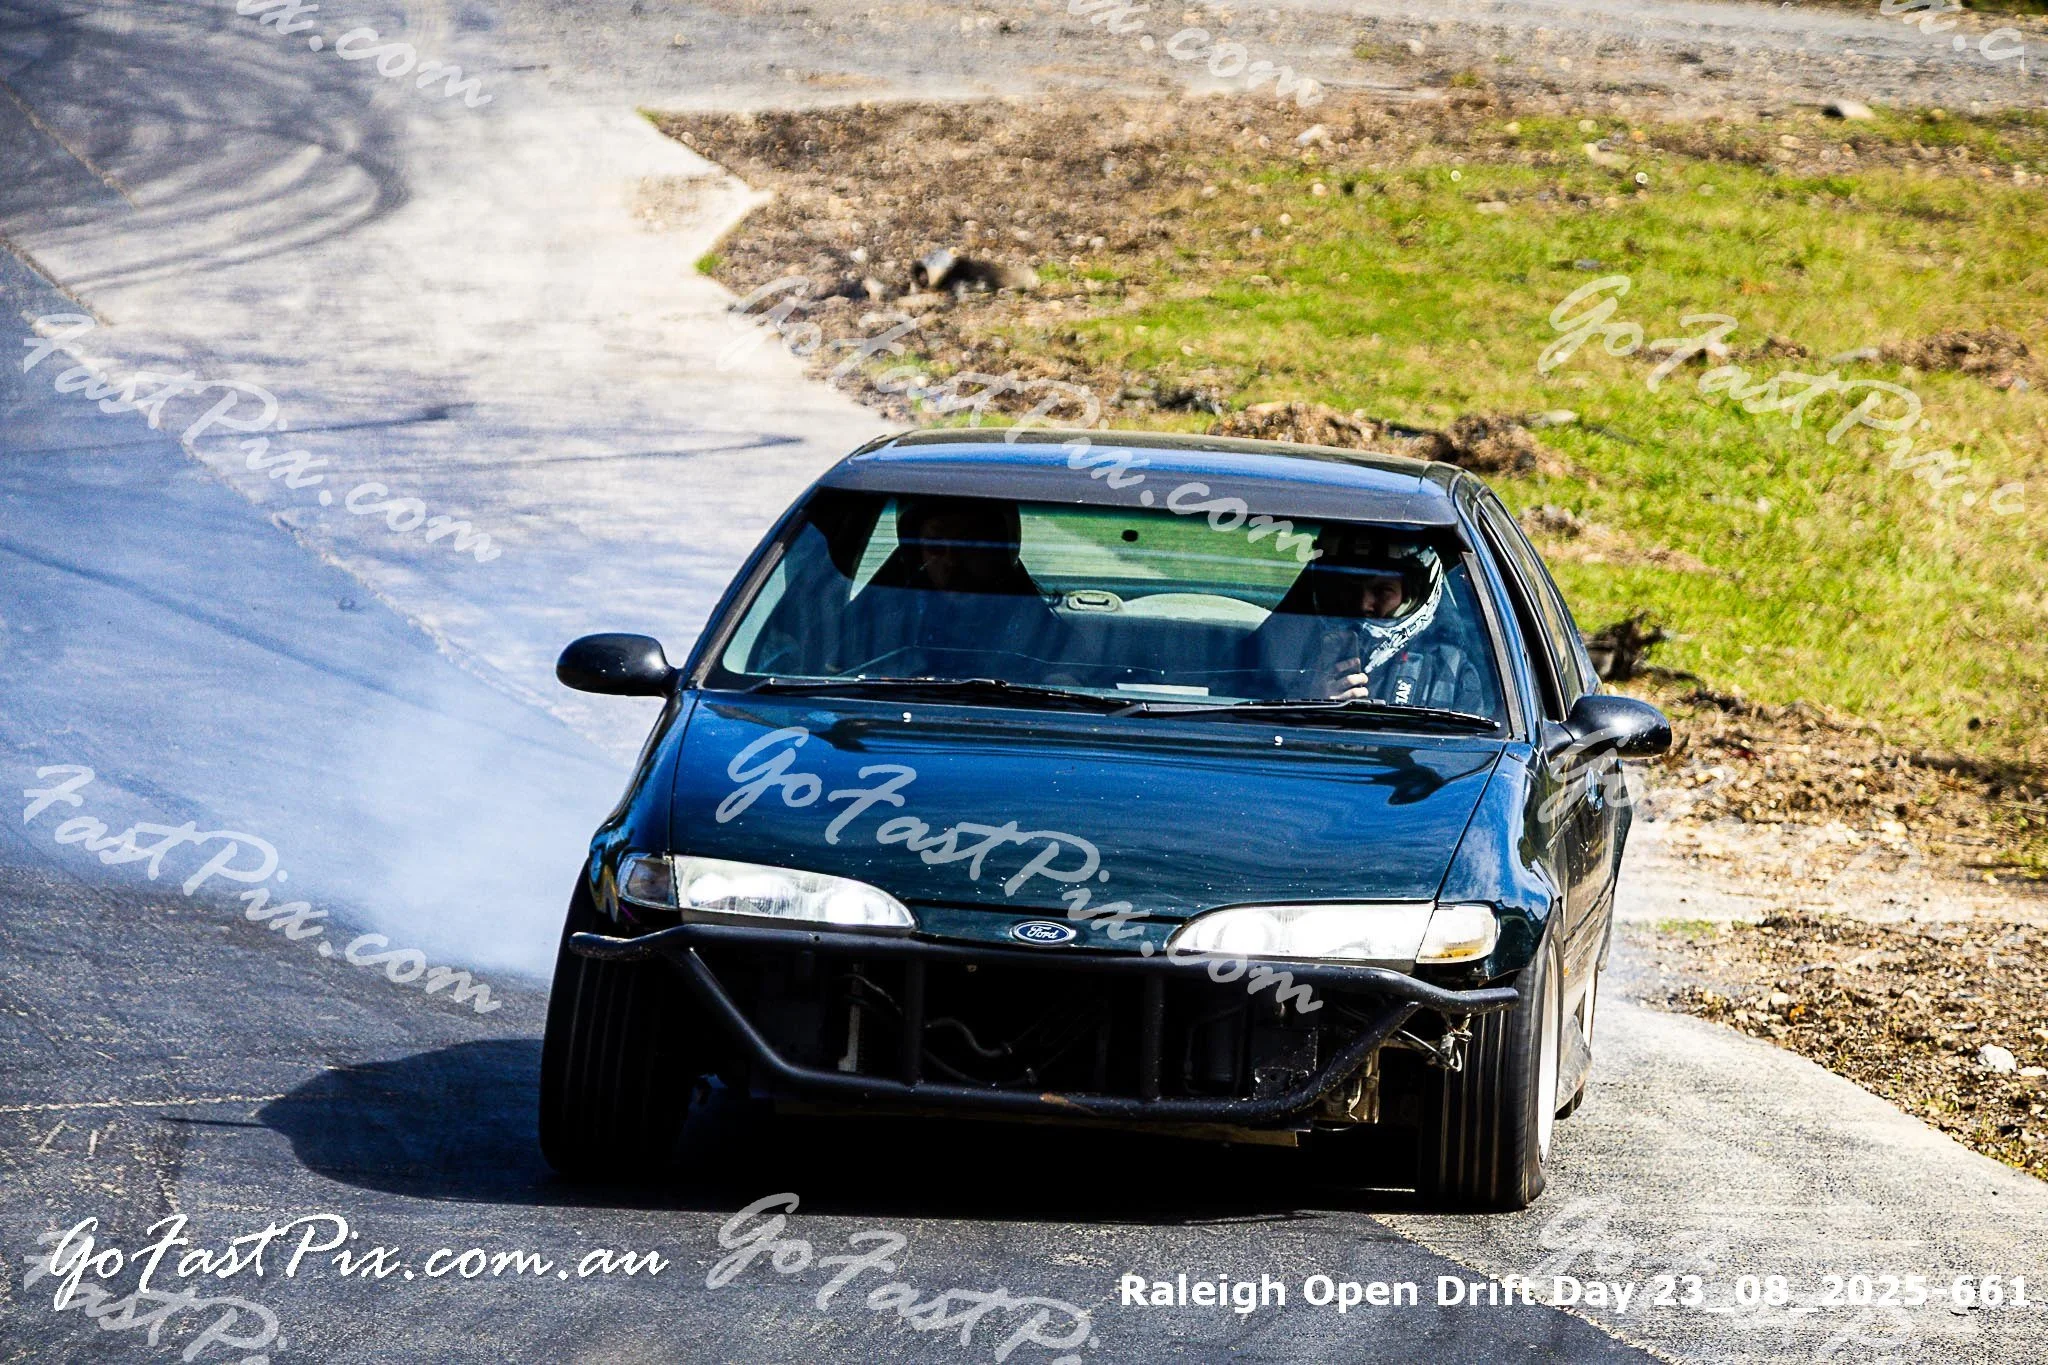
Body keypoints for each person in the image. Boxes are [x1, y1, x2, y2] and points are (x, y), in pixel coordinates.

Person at [1246, 526, 1486, 711]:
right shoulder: (1281, 649)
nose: (1363, 605)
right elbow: (1245, 725)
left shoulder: (1450, 673)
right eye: (1349, 587)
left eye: (1382, 591)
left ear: (1412, 595)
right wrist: (1304, 703)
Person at [841, 496, 1066, 677]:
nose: (952, 560)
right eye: (935, 545)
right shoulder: (883, 621)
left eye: (968, 545)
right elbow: (841, 672)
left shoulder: (1041, 631)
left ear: (998, 550)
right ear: (918, 553)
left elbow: (1069, 680)